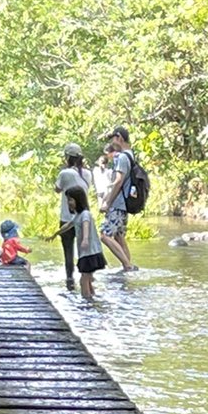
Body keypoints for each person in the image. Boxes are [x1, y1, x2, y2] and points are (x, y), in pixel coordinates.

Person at [101, 126, 140, 277]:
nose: (112, 142)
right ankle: (127, 272)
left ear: (119, 138)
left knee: (104, 235)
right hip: (124, 203)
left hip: (117, 203)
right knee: (119, 236)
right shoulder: (131, 155)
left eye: (113, 138)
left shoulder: (123, 157)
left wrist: (107, 202)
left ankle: (128, 266)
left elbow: (118, 181)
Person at [63, 184, 105, 301]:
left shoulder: (85, 214)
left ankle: (86, 301)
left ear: (78, 200)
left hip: (89, 252)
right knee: (87, 278)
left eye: (70, 200)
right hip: (88, 252)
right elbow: (68, 225)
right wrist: (55, 234)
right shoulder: (78, 215)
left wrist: (85, 239)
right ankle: (91, 297)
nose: (68, 203)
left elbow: (86, 225)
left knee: (83, 280)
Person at [54, 145, 88, 287]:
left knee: (68, 251)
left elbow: (57, 189)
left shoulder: (65, 173)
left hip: (67, 218)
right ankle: (85, 279)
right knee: (83, 251)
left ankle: (69, 279)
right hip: (83, 218)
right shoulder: (87, 173)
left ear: (67, 157)